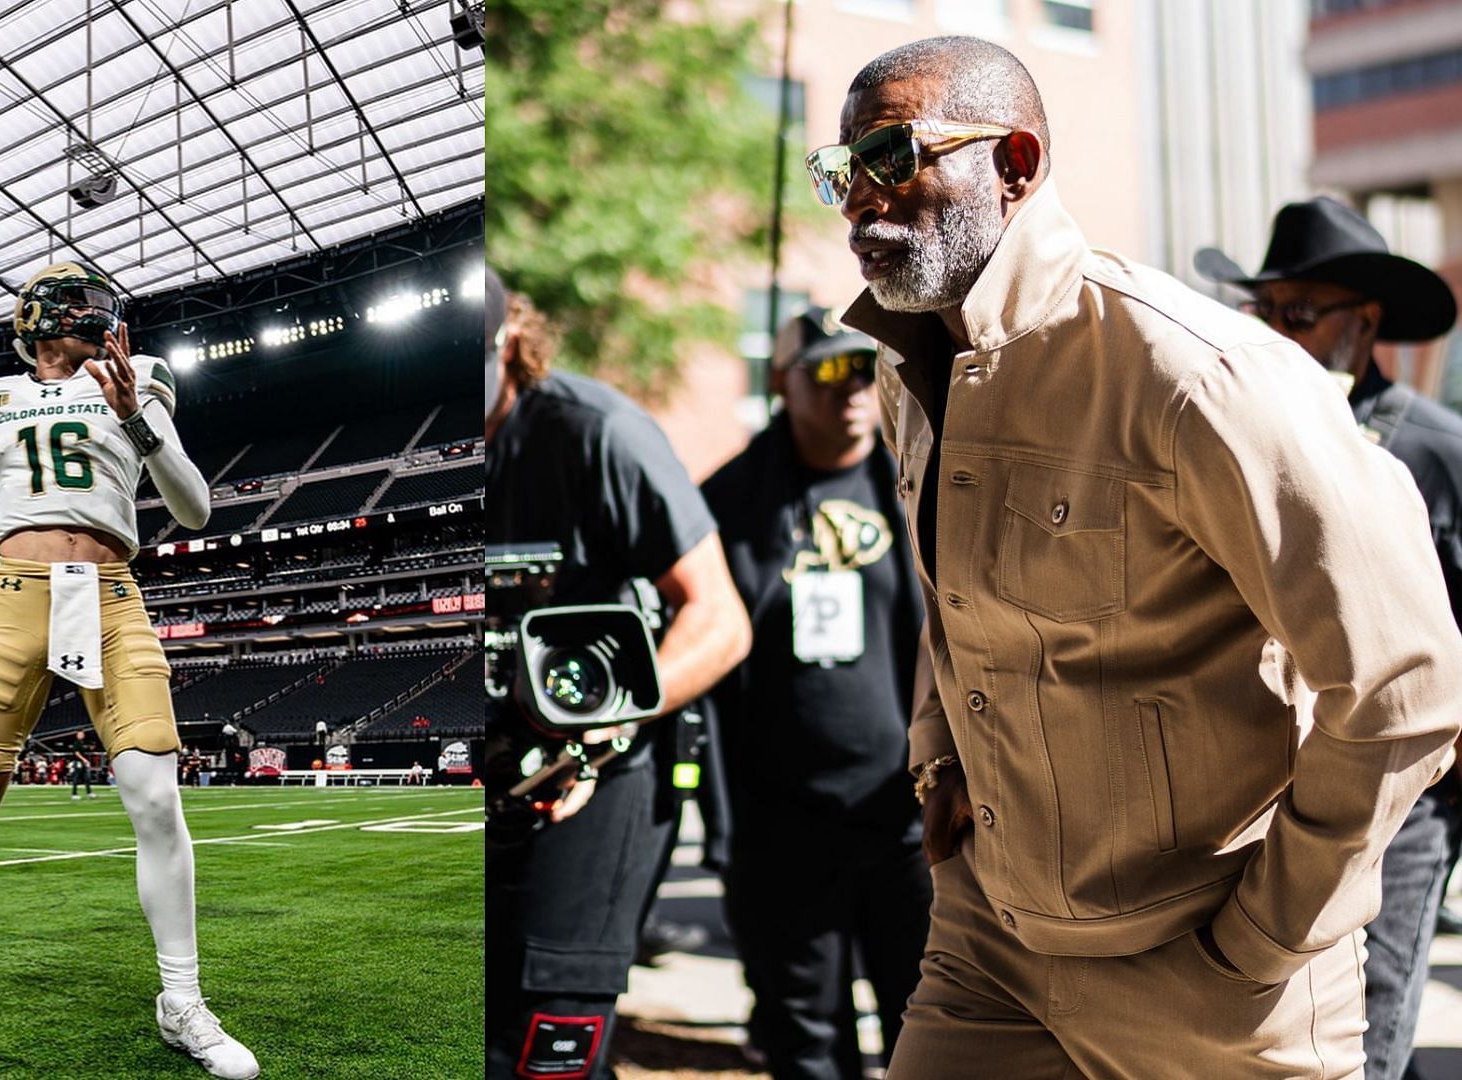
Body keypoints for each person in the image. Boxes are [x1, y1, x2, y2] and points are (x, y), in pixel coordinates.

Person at [811, 36, 1462, 1076]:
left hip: (1209, 979)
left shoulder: (1199, 375)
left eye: (893, 155)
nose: (856, 200)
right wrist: (937, 757)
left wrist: (1265, 939)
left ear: (1014, 164)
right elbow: (954, 602)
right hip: (991, 939)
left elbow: (1406, 684)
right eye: (842, 170)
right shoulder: (911, 367)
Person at [0, 261, 255, 1077]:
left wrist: (135, 418)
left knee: (154, 792)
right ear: (40, 322)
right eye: (83, 307)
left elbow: (194, 507)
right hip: (18, 596)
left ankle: (183, 999)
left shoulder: (141, 378)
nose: (101, 317)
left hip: (109, 593)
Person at [1196, 196, 1462, 1080]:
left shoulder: (1436, 449)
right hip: (1258, 781)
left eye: (1299, 315)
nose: (1276, 331)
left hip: (1400, 790)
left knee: (1369, 1024)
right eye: (1264, 312)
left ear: (1367, 323)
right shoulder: (1241, 427)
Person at [484, 268, 752, 1080]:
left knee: (541, 1052)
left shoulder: (597, 433)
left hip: (598, 775)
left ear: (507, 341)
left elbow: (721, 619)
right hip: (492, 769)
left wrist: (602, 728)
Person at [702, 307, 930, 1078]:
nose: (852, 389)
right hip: (780, 831)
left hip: (909, 817)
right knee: (805, 1043)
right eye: (828, 372)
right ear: (783, 383)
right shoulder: (729, 505)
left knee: (928, 1026)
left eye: (863, 370)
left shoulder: (920, 479)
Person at [69, 730, 95, 800]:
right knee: (76, 778)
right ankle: (74, 793)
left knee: (87, 778)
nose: (81, 735)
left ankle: (89, 792)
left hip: (83, 762)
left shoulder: (83, 743)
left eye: (82, 734)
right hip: (78, 762)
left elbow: (88, 750)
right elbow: (77, 753)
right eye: (80, 734)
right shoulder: (76, 743)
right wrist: (84, 759)